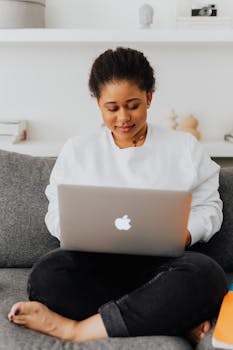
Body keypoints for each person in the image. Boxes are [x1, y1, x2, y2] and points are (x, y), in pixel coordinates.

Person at [8, 47, 227, 345]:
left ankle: (77, 329)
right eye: (112, 108)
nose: (123, 118)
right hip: (99, 268)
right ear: (98, 104)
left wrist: (185, 234)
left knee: (206, 274)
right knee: (48, 275)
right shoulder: (78, 150)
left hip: (163, 268)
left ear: (150, 97)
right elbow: (56, 212)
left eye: (133, 105)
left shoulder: (184, 148)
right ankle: (169, 317)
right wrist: (76, 232)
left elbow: (209, 208)